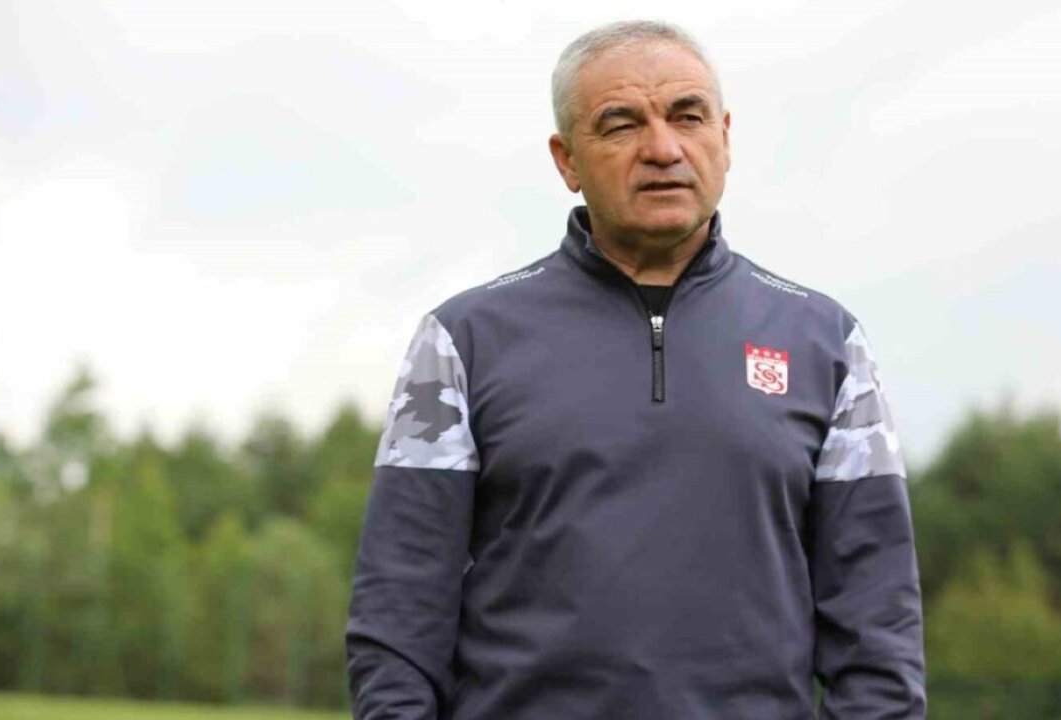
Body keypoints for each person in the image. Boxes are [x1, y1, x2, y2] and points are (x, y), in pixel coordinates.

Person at [346, 20, 926, 720]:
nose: (663, 148)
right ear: (567, 161)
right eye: (621, 124)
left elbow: (877, 619)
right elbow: (400, 608)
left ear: (725, 137)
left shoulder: (825, 343)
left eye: (688, 116)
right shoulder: (463, 340)